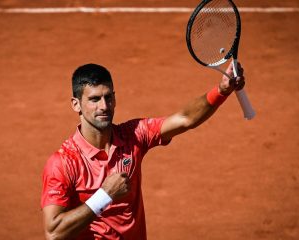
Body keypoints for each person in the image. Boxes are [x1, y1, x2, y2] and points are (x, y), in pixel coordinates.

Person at [41, 62, 245, 240]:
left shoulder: (134, 135)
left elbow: (185, 119)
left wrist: (222, 90)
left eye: (108, 97)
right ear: (76, 104)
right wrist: (105, 195)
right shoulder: (62, 162)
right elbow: (54, 232)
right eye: (94, 99)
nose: (104, 106)